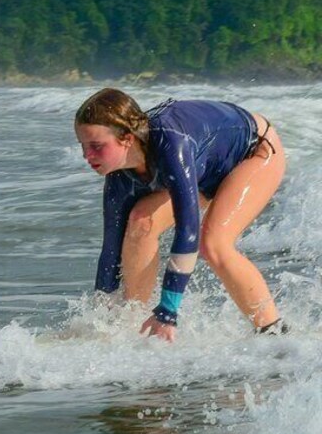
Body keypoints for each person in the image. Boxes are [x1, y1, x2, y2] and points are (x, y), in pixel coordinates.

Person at [74, 88, 287, 341]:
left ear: (127, 139)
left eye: (96, 146)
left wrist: (168, 311)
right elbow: (110, 251)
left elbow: (188, 230)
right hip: (203, 165)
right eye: (84, 146)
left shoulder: (171, 145)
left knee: (213, 244)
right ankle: (130, 327)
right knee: (141, 221)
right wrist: (101, 320)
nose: (87, 156)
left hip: (253, 150)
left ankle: (274, 332)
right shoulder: (118, 180)